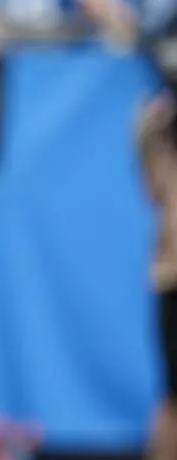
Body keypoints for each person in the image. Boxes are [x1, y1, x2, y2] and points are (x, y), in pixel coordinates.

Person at [137, 94, 177, 460]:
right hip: (171, 283)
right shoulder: (168, 170)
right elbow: (151, 183)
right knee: (171, 397)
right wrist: (148, 128)